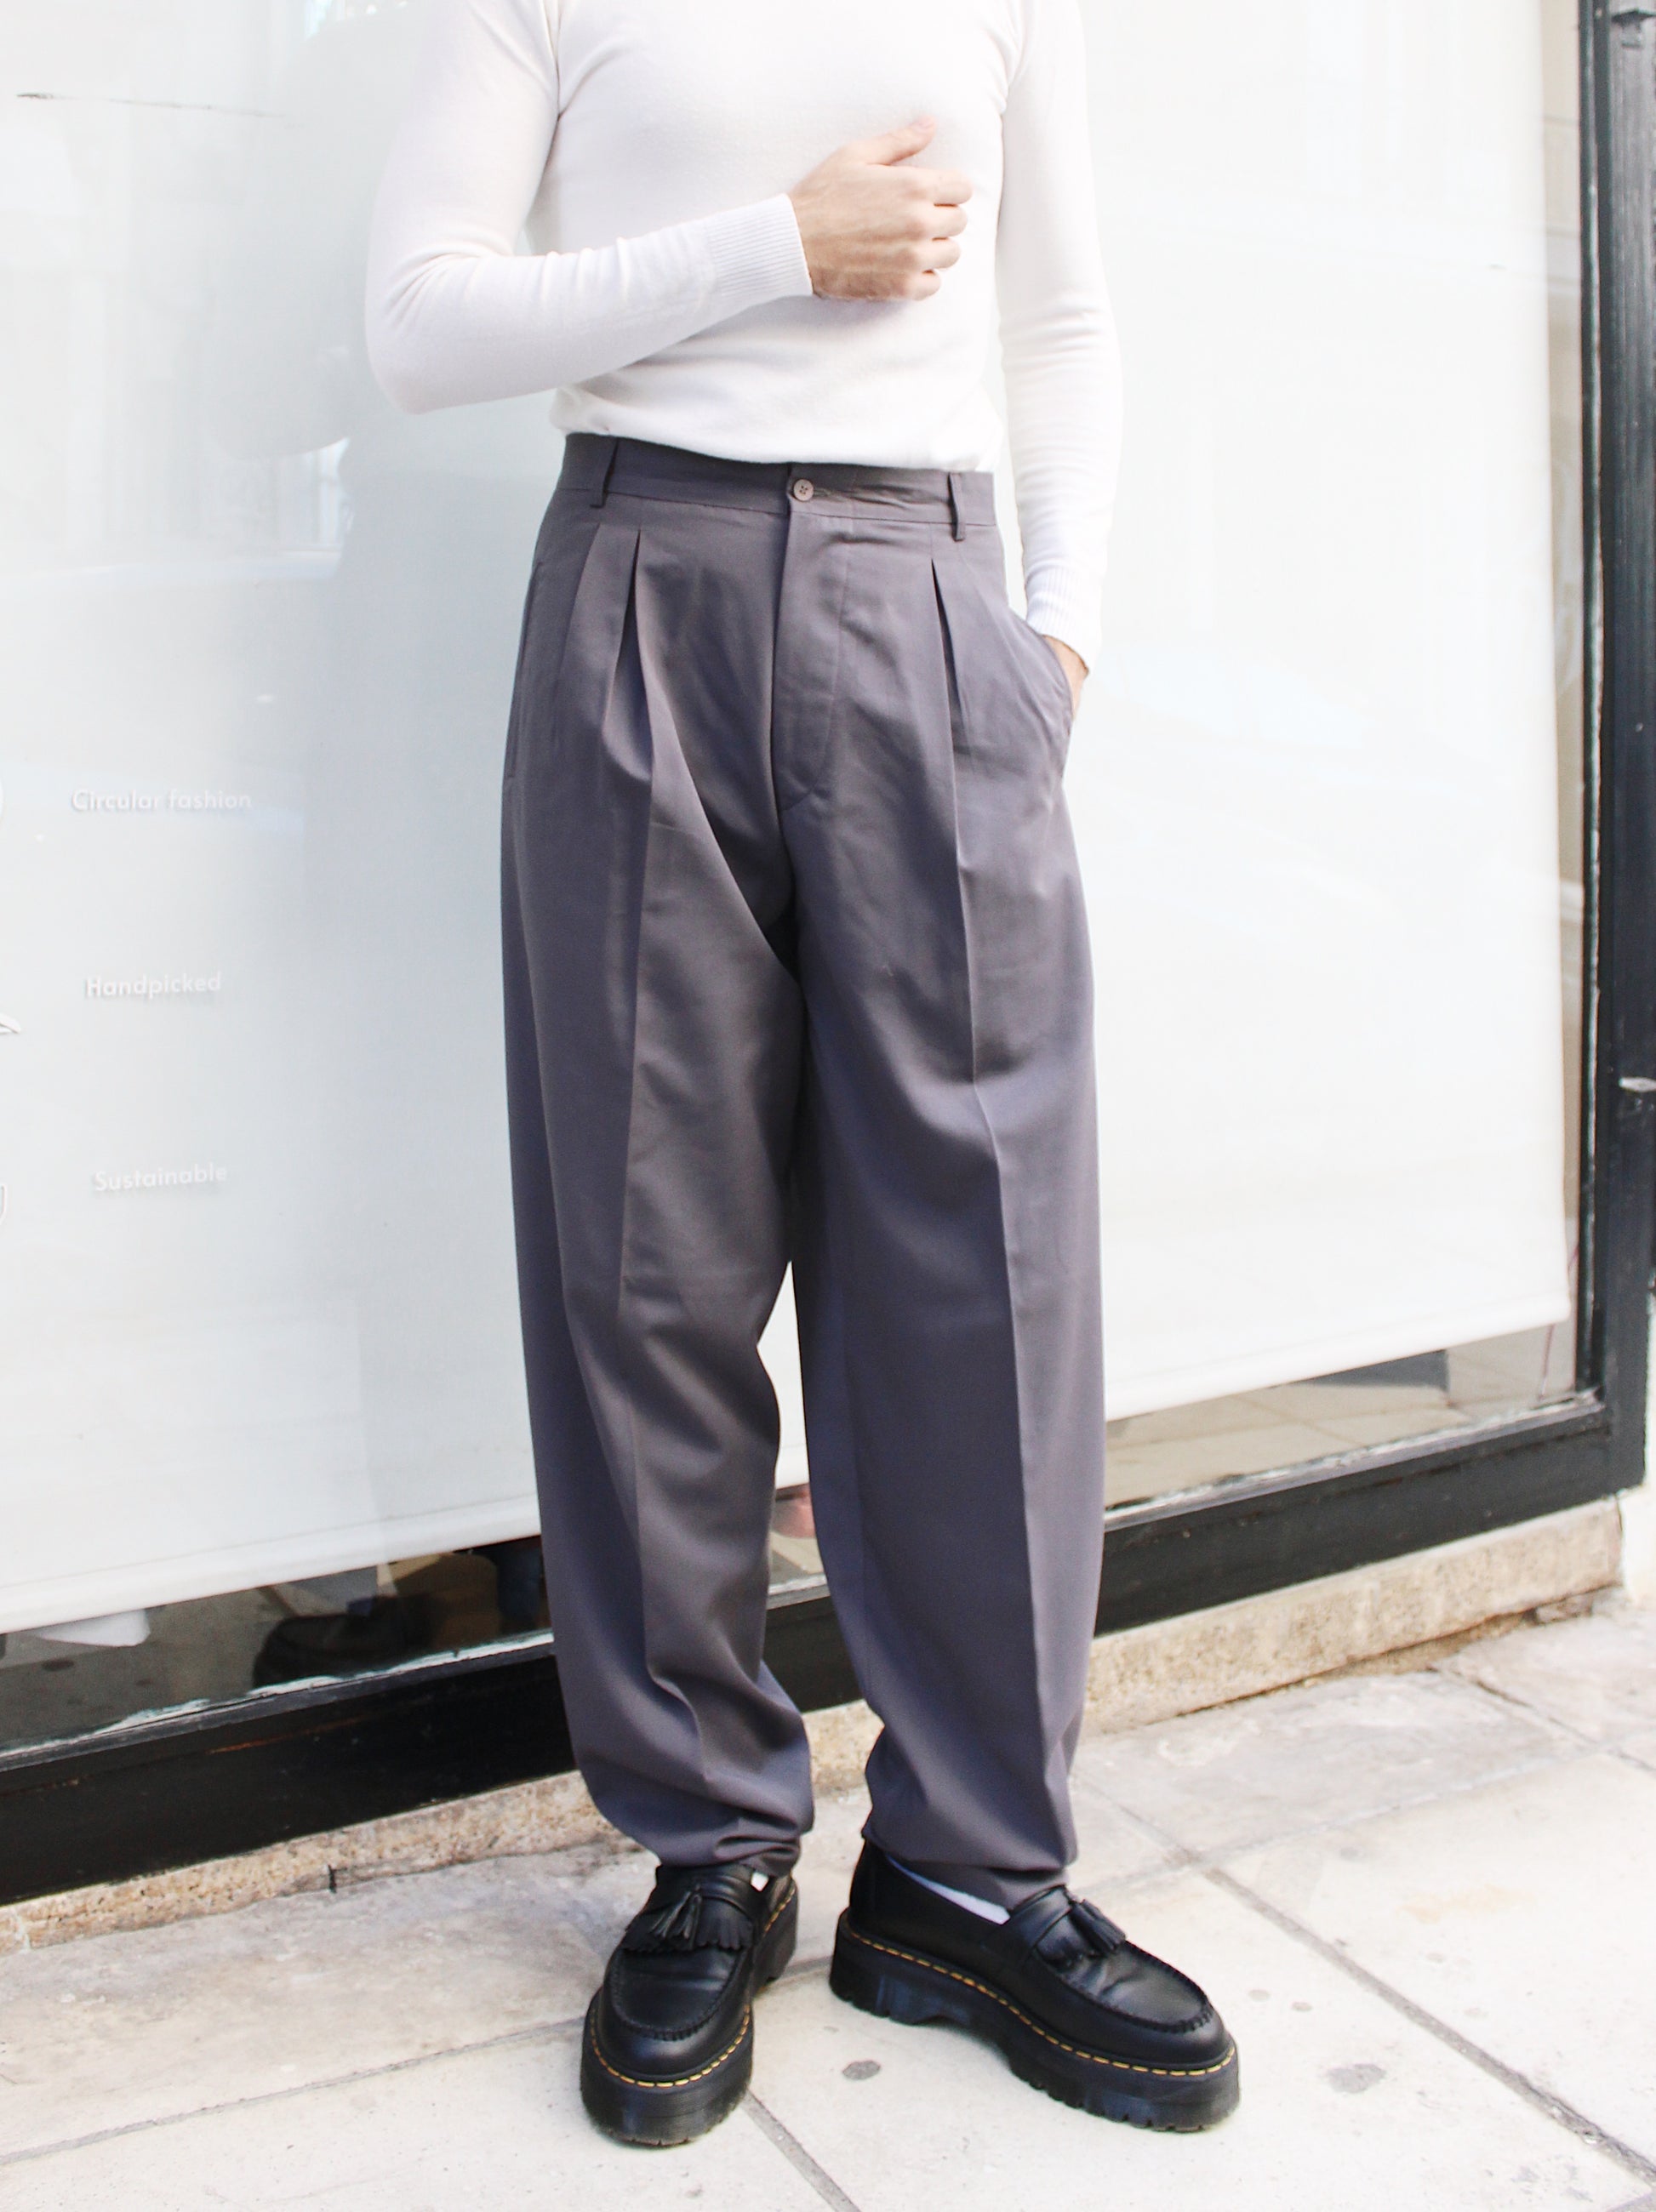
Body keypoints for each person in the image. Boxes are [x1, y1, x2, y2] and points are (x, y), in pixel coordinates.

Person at [367, 0, 1237, 2145]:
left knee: (985, 1258)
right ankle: (709, 1845)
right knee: (642, 1256)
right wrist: (776, 241)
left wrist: (1057, 634)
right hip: (637, 574)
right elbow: (419, 323)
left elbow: (1063, 320)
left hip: (927, 585)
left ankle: (969, 1870)